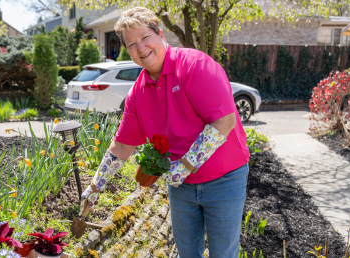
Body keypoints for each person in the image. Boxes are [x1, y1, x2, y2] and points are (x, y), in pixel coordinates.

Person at [80, 7, 250, 258]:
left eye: (145, 37)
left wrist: (185, 165)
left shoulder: (195, 65)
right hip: (181, 187)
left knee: (223, 254)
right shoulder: (137, 94)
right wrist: (94, 188)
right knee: (187, 254)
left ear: (160, 34)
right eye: (131, 44)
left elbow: (224, 121)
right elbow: (122, 147)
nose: (140, 48)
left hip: (224, 179)